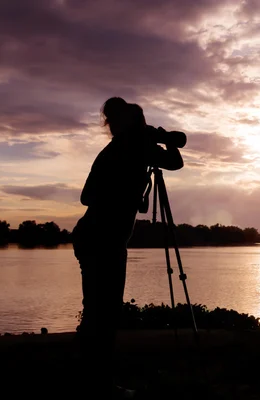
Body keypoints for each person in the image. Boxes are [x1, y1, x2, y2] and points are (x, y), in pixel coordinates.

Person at [72, 97, 185, 397]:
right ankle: (98, 384)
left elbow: (86, 197)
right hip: (103, 240)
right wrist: (165, 141)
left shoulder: (113, 150)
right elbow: (175, 161)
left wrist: (158, 143)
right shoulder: (134, 147)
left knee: (97, 311)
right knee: (104, 314)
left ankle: (90, 379)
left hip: (93, 237)